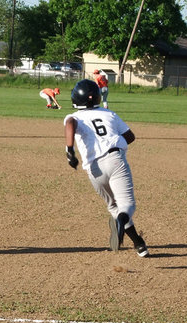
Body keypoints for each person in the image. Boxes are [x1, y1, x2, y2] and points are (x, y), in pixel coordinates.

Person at [64, 79, 148, 257]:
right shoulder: (109, 114)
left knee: (113, 206)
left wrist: (70, 149)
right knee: (127, 205)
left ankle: (139, 245)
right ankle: (123, 221)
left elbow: (70, 122)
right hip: (115, 160)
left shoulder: (75, 116)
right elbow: (130, 136)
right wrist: (117, 142)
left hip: (94, 169)